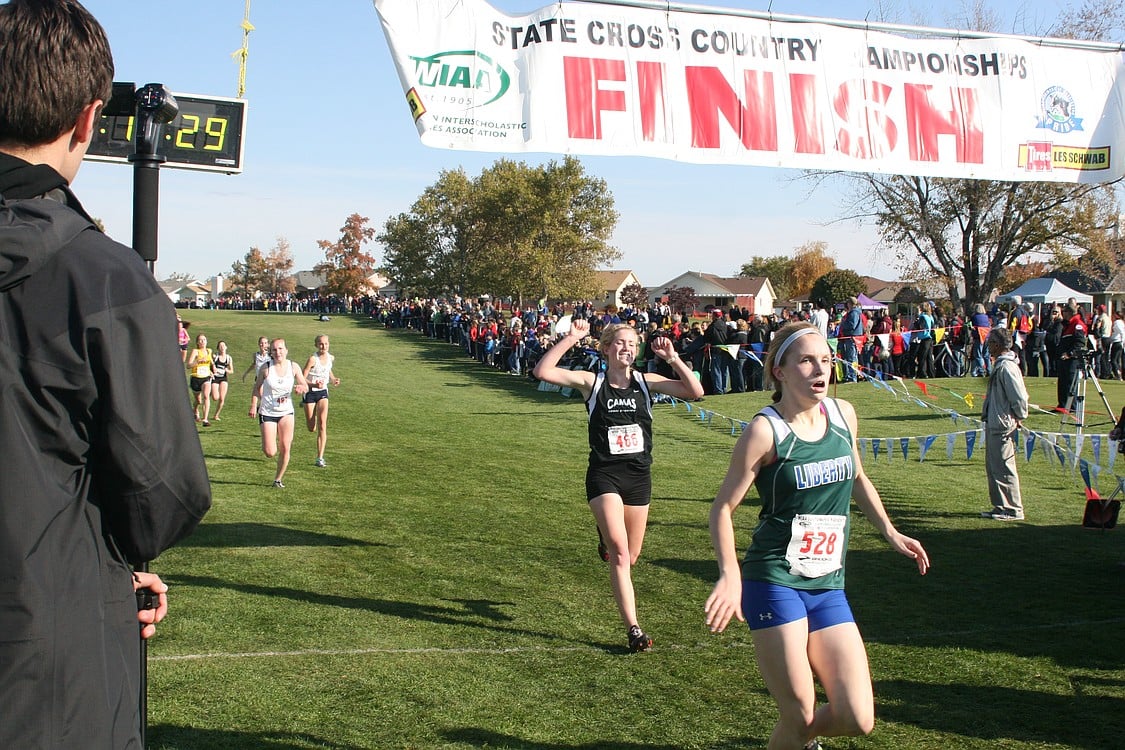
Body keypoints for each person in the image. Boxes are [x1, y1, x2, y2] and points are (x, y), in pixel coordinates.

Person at [0, 2, 212, 746]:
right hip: (46, 660)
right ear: (90, 119)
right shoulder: (104, 280)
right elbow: (163, 492)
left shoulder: (100, 275)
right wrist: (107, 557)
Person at [704, 322, 929, 750]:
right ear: (780, 371)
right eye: (806, 360)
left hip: (828, 584)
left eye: (825, 360)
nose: (818, 369)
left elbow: (857, 475)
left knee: (857, 717)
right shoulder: (765, 431)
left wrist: (890, 530)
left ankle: (801, 740)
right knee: (802, 713)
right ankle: (801, 736)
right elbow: (722, 509)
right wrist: (729, 574)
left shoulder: (844, 416)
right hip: (774, 580)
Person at [533, 318, 704, 652]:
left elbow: (695, 392)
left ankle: (606, 537)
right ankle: (634, 629)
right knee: (620, 553)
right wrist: (571, 338)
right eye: (621, 343)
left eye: (633, 344)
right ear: (607, 348)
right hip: (604, 475)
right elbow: (543, 371)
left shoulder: (645, 382)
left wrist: (672, 359)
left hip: (639, 476)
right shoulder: (592, 383)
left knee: (631, 555)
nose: (628, 349)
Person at [980, 327, 1029, 521]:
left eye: (990, 342)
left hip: (1003, 423)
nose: (988, 346)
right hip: (994, 421)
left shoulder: (1007, 367)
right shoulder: (999, 365)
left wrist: (1019, 416)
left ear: (998, 345)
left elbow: (1019, 396)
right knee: (994, 468)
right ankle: (1000, 506)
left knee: (1004, 467)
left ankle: (1014, 508)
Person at [250, 338, 310, 487]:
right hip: (268, 411)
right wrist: (253, 405)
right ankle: (268, 441)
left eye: (281, 349)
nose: (278, 352)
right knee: (270, 452)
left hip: (286, 412)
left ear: (286, 350)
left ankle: (278, 479)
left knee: (285, 446)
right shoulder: (266, 367)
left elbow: (305, 385)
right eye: (275, 350)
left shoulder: (293, 366)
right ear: (271, 352)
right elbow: (257, 388)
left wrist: (301, 388)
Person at [302, 334, 341, 468]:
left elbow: (328, 370)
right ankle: (305, 406)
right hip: (310, 393)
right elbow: (302, 378)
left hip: (323, 392)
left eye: (326, 343)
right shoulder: (313, 359)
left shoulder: (330, 357)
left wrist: (333, 379)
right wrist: (313, 385)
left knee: (322, 425)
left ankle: (320, 458)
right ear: (316, 345)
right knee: (311, 428)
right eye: (321, 344)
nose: (323, 346)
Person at [186, 332, 214, 425]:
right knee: (198, 400)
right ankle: (195, 410)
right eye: (200, 340)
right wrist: (197, 361)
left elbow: (210, 363)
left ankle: (205, 419)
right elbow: (188, 365)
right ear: (197, 342)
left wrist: (212, 371)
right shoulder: (195, 351)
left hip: (206, 378)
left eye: (204, 340)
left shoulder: (209, 351)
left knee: (206, 396)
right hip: (196, 378)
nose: (203, 342)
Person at [837, 297, 863, 382]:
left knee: (852, 357)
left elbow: (852, 325)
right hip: (853, 337)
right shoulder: (856, 312)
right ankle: (851, 376)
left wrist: (843, 324)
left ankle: (852, 377)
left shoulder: (854, 313)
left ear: (850, 304)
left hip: (852, 337)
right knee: (852, 357)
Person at [209, 339, 233, 420]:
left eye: (223, 346)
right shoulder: (215, 357)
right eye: (220, 346)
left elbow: (231, 370)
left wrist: (227, 370)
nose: (222, 347)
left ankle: (216, 415)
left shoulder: (228, 358)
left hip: (223, 378)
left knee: (222, 398)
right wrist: (212, 371)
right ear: (218, 348)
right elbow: (209, 366)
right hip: (215, 378)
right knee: (215, 397)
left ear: (226, 347)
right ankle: (210, 392)